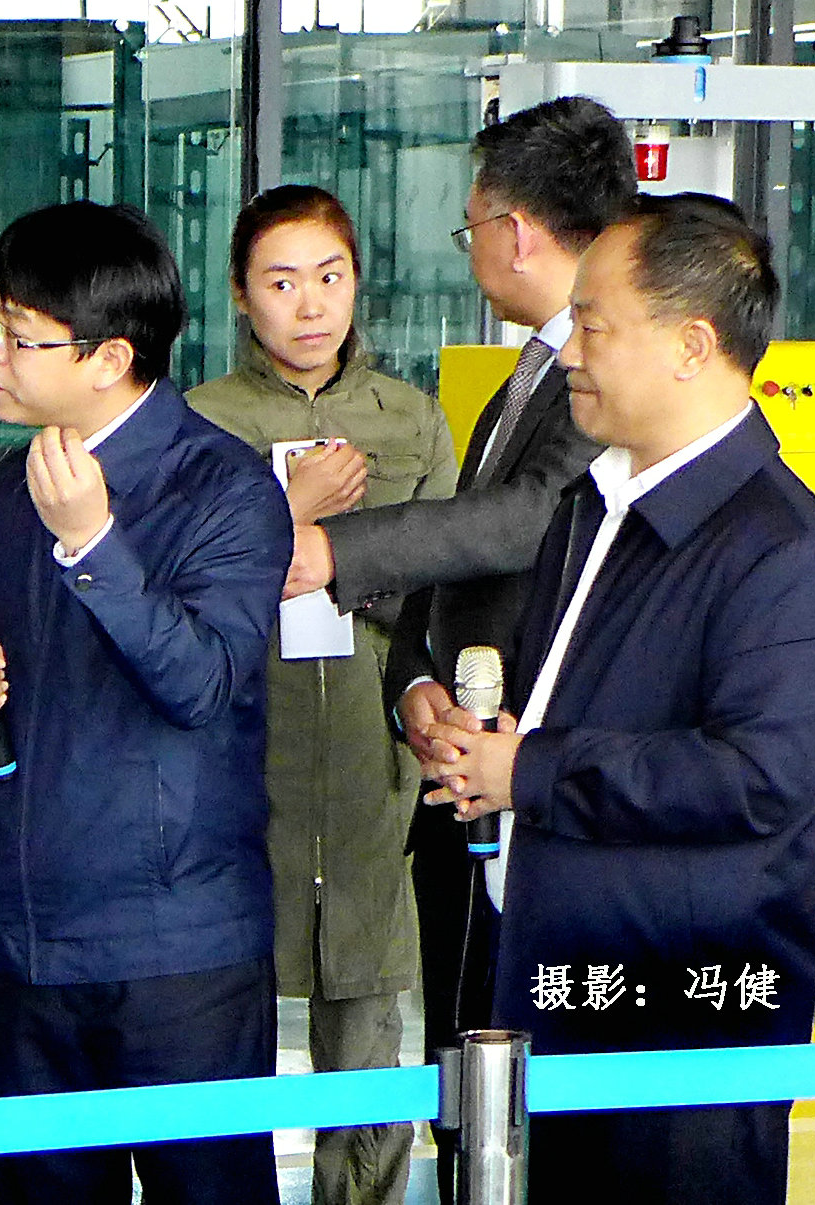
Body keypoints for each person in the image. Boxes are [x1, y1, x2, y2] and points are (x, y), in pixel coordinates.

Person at [419, 193, 815, 1204]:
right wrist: (492, 744)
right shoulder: (596, 505)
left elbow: (756, 778)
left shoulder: (786, 556)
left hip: (678, 1021)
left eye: (593, 325)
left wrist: (530, 769)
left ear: (690, 345)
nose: (567, 353)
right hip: (559, 976)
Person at [282, 100, 629, 1178]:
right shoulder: (520, 378)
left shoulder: (595, 388)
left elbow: (523, 520)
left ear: (516, 231)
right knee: (460, 1070)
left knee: (512, 1093)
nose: (470, 246)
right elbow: (460, 566)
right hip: (455, 773)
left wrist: (331, 548)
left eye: (471, 224)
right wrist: (415, 682)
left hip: (535, 786)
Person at [0, 201, 286, 1205]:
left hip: (178, 943)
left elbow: (201, 683)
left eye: (17, 332)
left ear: (108, 358)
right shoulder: (11, 486)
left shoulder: (223, 487)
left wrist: (91, 543)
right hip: (29, 930)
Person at [185, 183, 453, 1205]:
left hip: (364, 767)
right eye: (281, 281)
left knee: (368, 1021)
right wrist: (276, 515)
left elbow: (444, 584)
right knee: (221, 1020)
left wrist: (350, 570)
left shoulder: (408, 418)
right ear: (239, 294)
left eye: (329, 277)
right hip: (237, 770)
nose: (309, 305)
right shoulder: (197, 422)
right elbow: (172, 583)